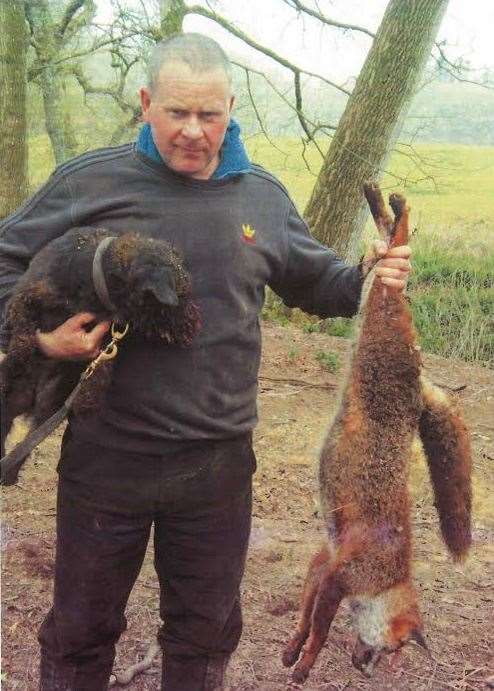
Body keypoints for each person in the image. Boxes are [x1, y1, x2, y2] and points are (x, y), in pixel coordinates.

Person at [0, 33, 412, 691]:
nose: (194, 131)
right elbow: (6, 261)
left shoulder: (260, 197)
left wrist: (370, 274)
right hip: (108, 459)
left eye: (210, 115)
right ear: (146, 104)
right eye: (177, 113)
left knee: (203, 639)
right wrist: (45, 339)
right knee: (79, 634)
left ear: (230, 107)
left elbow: (319, 283)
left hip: (218, 468)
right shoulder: (91, 180)